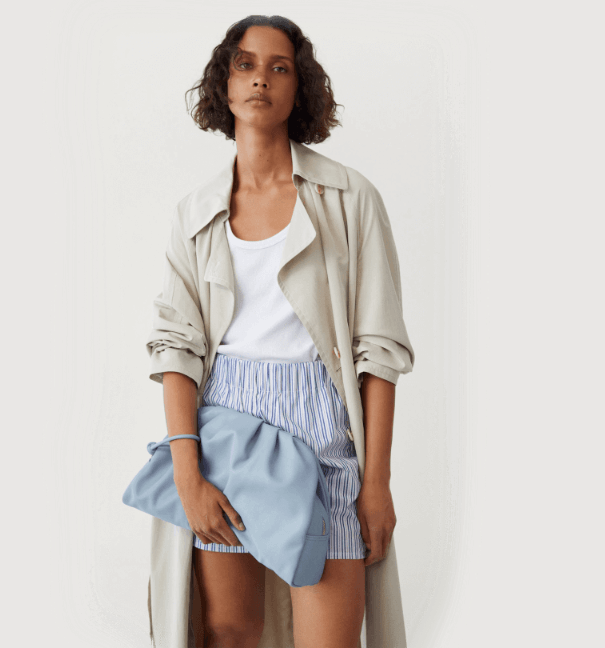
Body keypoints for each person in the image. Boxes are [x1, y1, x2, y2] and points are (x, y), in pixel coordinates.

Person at [144, 15, 416, 648]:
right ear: (224, 82)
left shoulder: (350, 197)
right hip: (226, 431)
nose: (260, 79)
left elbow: (378, 350)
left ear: (301, 87)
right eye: (244, 64)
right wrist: (187, 472)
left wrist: (376, 484)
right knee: (229, 632)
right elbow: (176, 347)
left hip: (324, 428)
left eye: (279, 67)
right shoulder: (194, 213)